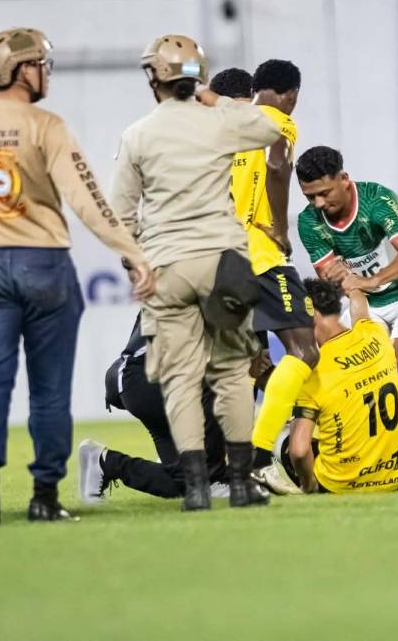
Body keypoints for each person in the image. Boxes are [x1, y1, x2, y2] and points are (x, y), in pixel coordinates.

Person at [0, 27, 153, 526]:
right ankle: (43, 494)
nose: (46, 73)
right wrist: (133, 252)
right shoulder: (46, 125)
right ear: (21, 69)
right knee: (49, 388)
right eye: (41, 64)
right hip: (44, 264)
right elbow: (88, 202)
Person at [109, 34, 283, 511]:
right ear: (197, 76)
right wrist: (215, 98)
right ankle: (243, 484)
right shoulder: (218, 123)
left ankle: (198, 488)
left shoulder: (138, 134)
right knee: (230, 372)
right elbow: (270, 130)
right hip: (224, 261)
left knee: (181, 378)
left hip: (167, 264)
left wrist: (134, 264)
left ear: (153, 78)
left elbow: (119, 215)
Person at [294, 145, 398, 488]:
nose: (318, 204)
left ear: (344, 180)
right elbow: (338, 279)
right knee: (362, 369)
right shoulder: (309, 223)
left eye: (324, 193)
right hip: (368, 301)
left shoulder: (378, 200)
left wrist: (372, 280)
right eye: (309, 197)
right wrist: (354, 290)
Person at [207, 63, 317, 495]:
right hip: (261, 256)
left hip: (218, 261)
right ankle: (259, 456)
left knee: (250, 363)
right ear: (290, 94)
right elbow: (276, 166)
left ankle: (234, 463)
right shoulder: (278, 121)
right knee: (305, 349)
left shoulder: (219, 128)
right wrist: (281, 229)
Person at [76, 317, 231, 503]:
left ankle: (105, 462)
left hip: (138, 379)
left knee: (186, 483)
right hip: (149, 381)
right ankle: (216, 479)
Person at [286, 279, 398, 493]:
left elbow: (300, 451)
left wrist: (309, 487)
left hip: (343, 484)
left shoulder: (313, 373)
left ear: (312, 314)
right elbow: (361, 310)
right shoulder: (375, 335)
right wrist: (352, 285)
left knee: (286, 437)